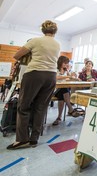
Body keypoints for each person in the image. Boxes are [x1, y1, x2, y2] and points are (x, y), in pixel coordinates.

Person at [7, 20, 60, 149]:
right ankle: (34, 139)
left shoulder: (36, 41)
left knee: (24, 106)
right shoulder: (58, 44)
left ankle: (22, 139)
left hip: (35, 74)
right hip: (52, 76)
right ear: (55, 31)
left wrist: (30, 54)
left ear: (43, 30)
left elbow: (16, 55)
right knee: (40, 107)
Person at [52, 55, 80, 126]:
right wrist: (69, 76)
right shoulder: (56, 69)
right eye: (65, 63)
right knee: (64, 89)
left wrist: (75, 78)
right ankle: (70, 109)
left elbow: (69, 78)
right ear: (60, 62)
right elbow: (56, 77)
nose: (66, 64)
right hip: (55, 90)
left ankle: (59, 117)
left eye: (67, 63)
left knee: (62, 98)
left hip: (62, 92)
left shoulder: (66, 70)